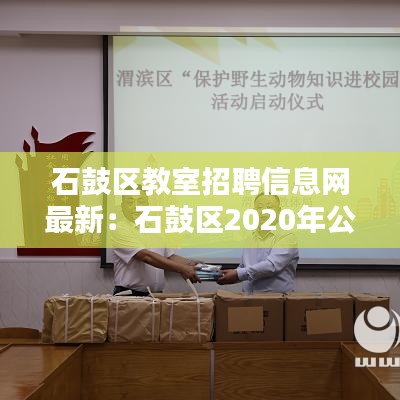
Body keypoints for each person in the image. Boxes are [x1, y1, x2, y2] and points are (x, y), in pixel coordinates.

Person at [112, 187, 200, 296]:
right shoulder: (119, 229)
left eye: (141, 202)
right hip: (129, 295)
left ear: (147, 205)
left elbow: (169, 256)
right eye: (130, 202)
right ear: (122, 206)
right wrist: (182, 269)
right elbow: (145, 256)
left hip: (156, 295)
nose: (136, 206)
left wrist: (190, 264)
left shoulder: (154, 228)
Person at [218, 193, 299, 292]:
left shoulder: (287, 236)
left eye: (269, 207)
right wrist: (224, 275)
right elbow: (244, 267)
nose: (264, 211)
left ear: (279, 211)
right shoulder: (250, 238)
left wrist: (236, 274)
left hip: (277, 299)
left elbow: (271, 266)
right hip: (247, 298)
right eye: (259, 207)